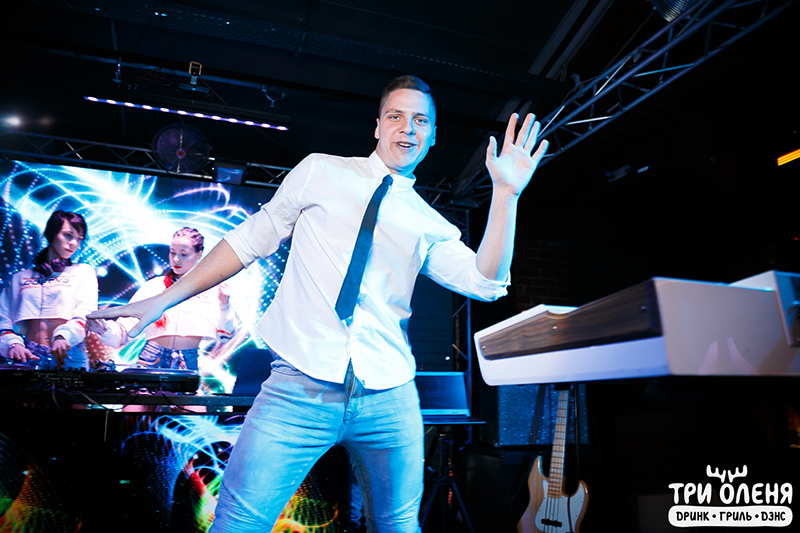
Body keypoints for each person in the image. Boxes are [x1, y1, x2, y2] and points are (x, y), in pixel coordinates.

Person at [89, 75, 548, 532]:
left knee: (398, 524)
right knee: (239, 522)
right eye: (396, 116)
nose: (407, 128)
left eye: (420, 120)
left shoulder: (429, 223)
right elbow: (249, 240)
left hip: (389, 397)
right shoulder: (320, 171)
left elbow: (485, 283)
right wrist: (164, 300)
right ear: (377, 126)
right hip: (297, 388)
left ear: (431, 136)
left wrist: (506, 197)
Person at [88, 227, 237, 372]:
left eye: (184, 254)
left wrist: (224, 304)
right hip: (152, 357)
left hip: (187, 360)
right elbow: (126, 330)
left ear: (199, 254)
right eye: (172, 252)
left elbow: (226, 335)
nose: (176, 259)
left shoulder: (212, 289)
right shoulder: (154, 286)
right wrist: (104, 329)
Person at [0, 210, 107, 369]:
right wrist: (13, 344)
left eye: (79, 239)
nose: (74, 243)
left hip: (68, 352)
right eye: (68, 235)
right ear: (51, 233)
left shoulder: (83, 272)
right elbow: (3, 319)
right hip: (28, 354)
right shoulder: (20, 277)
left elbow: (85, 313)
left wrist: (63, 336)